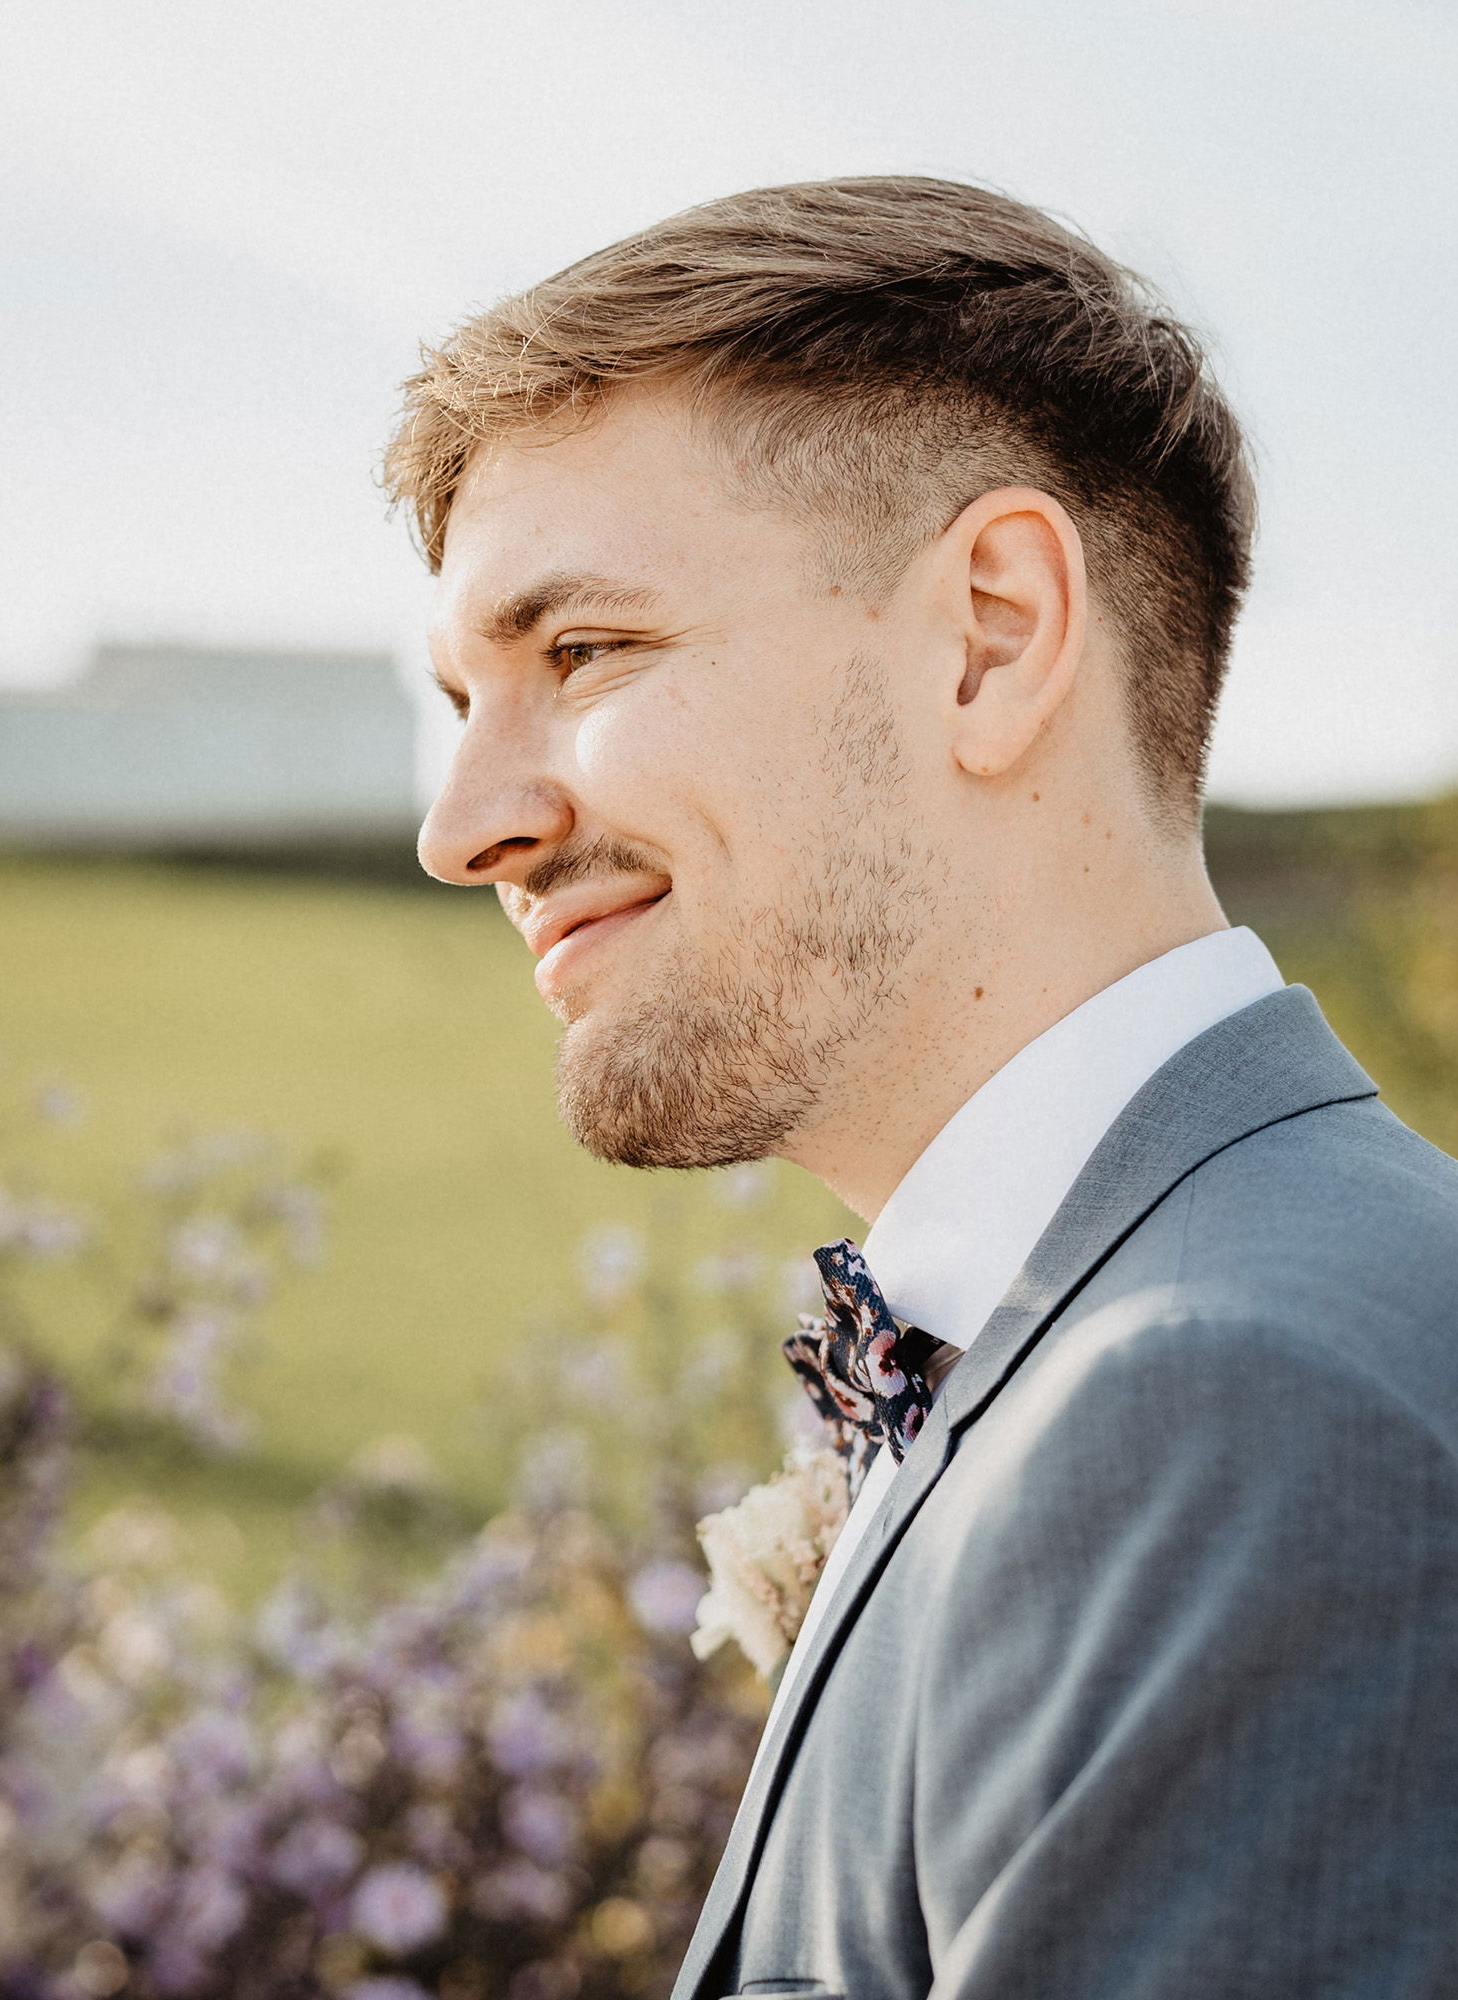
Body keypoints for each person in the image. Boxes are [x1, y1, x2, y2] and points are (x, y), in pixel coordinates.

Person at [386, 177, 1458, 1999]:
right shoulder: (1141, 1330)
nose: (463, 827)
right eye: (459, 701)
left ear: (992, 633)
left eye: (581, 653)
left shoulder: (1222, 1405)